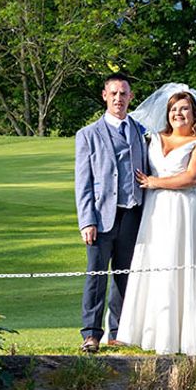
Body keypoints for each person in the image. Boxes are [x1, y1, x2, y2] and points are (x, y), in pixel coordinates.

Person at [116, 91, 196, 356]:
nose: (178, 114)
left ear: (194, 113)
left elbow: (193, 178)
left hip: (188, 212)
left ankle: (194, 335)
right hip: (156, 212)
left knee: (187, 266)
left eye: (184, 109)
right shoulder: (154, 138)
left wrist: (154, 183)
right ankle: (153, 333)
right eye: (174, 109)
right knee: (157, 264)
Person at [74, 73, 148, 353]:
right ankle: (91, 333)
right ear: (104, 95)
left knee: (124, 275)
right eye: (114, 93)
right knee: (96, 275)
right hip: (101, 216)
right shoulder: (88, 134)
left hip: (133, 214)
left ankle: (118, 331)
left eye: (124, 93)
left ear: (131, 97)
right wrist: (87, 221)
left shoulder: (140, 131)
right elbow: (83, 182)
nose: (119, 98)